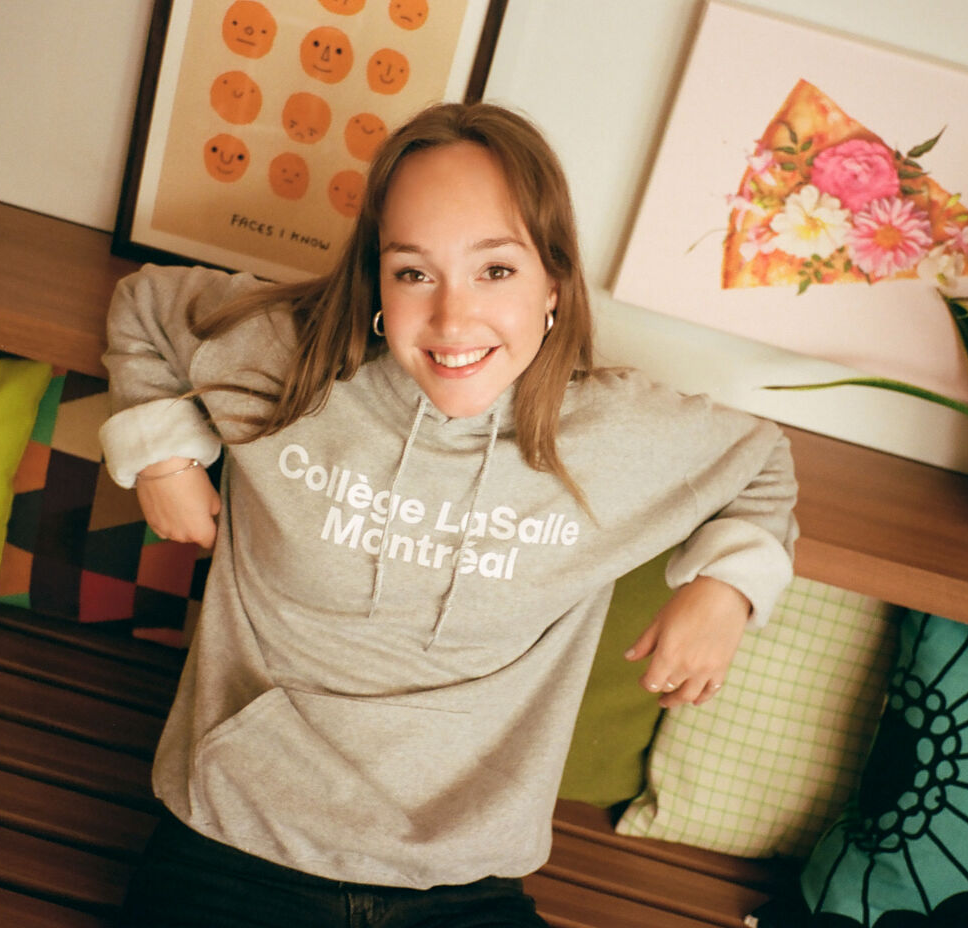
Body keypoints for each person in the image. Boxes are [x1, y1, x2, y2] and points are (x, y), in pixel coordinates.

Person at [101, 101, 798, 927]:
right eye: (414, 272)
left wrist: (726, 590)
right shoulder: (287, 366)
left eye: (495, 270)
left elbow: (762, 462)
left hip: (461, 888)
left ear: (554, 283)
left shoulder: (616, 439)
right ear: (377, 281)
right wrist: (160, 454)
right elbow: (145, 305)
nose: (452, 318)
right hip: (235, 846)